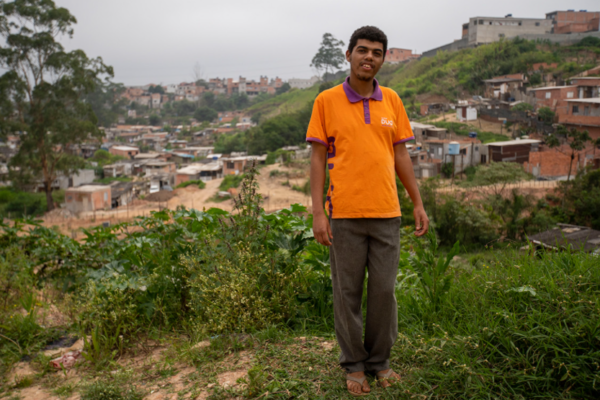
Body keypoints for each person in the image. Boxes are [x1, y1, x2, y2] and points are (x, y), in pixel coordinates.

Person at [306, 26, 429, 396]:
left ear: (383, 59)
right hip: (343, 214)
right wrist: (317, 213)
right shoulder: (326, 101)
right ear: (348, 55)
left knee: (383, 292)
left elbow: (400, 154)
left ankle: (380, 362)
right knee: (346, 293)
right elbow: (317, 157)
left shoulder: (391, 100)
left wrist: (417, 201)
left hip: (387, 213)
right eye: (362, 50)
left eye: (377, 52)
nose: (369, 57)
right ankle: (354, 364)